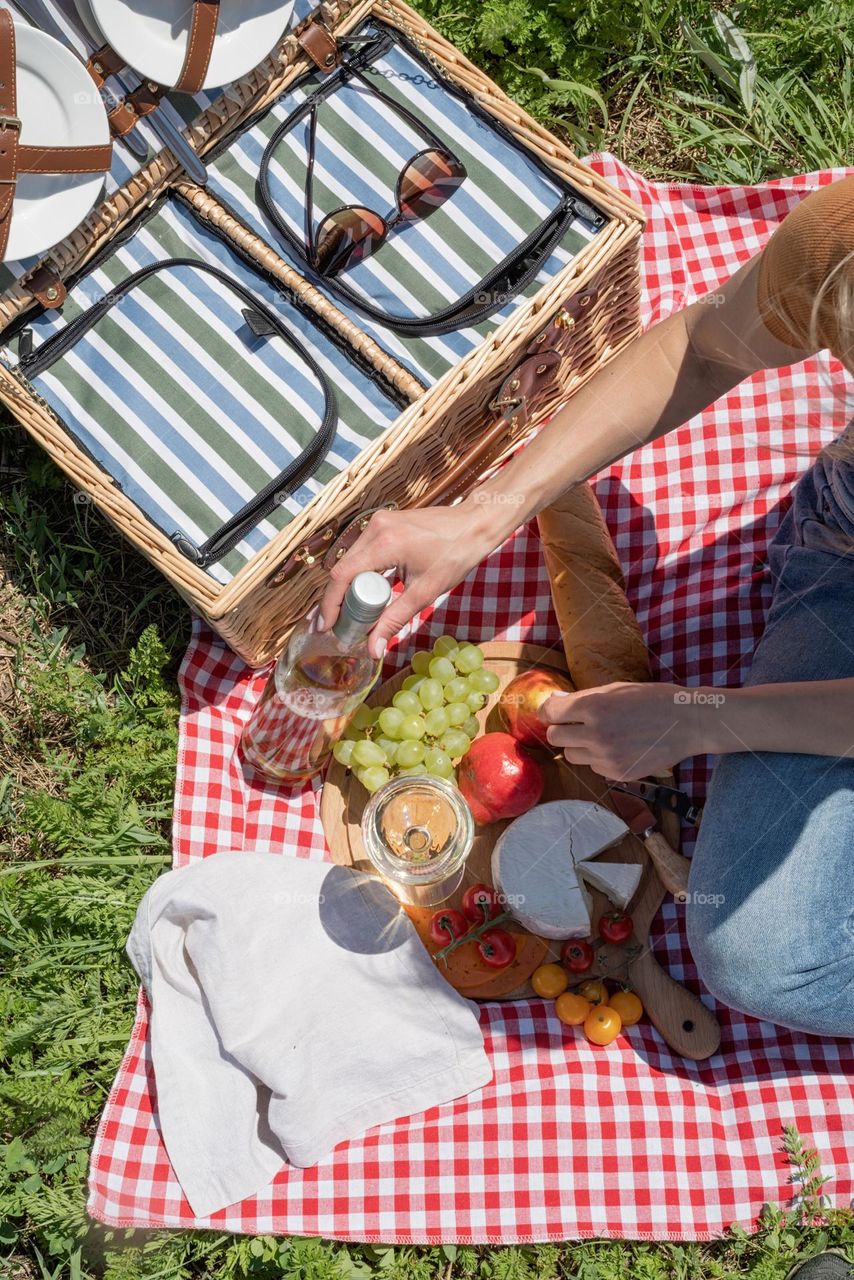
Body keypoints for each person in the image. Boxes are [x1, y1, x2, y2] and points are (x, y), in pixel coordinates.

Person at [319, 177, 854, 1040]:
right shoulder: (848, 246)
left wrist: (702, 720)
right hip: (843, 550)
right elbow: (705, 347)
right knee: (760, 944)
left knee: (766, 958)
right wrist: (488, 513)